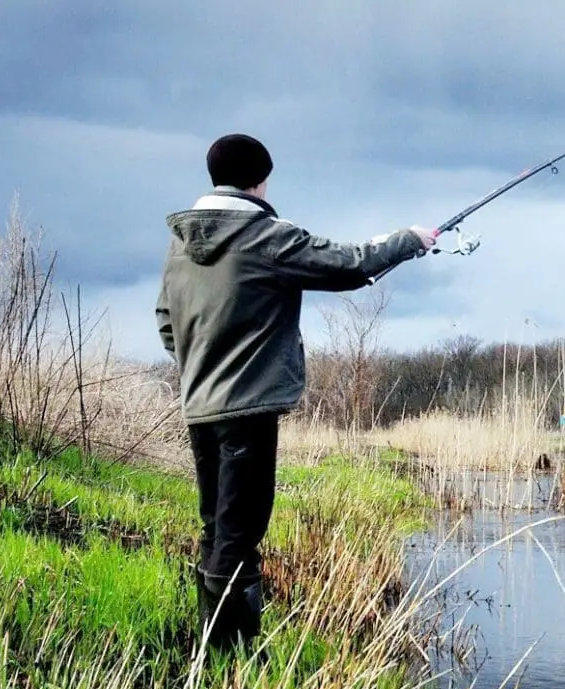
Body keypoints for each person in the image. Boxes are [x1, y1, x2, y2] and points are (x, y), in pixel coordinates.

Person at [154, 133, 435, 654]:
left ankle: (213, 651)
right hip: (249, 409)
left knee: (217, 527)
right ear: (259, 180)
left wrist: (201, 366)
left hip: (199, 407)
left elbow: (165, 322)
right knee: (241, 532)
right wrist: (411, 239)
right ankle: (226, 656)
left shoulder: (181, 243)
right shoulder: (264, 234)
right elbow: (350, 263)